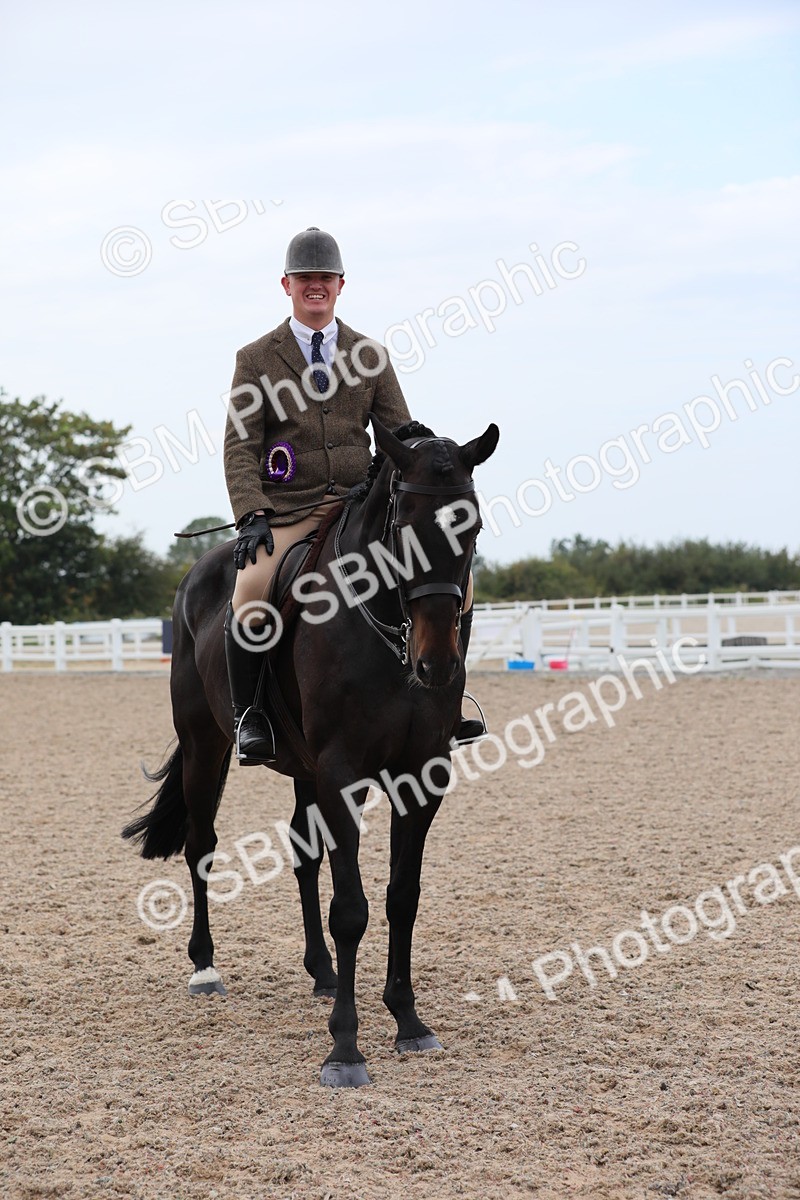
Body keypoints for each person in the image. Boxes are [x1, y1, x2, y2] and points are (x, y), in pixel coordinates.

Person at [223, 227, 484, 765]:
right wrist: (251, 512)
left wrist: (434, 452)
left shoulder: (370, 354)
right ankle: (251, 716)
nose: (314, 287)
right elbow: (240, 445)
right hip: (290, 509)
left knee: (460, 583)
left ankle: (447, 702)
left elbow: (399, 434)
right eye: (304, 280)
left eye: (324, 279)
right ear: (286, 285)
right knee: (250, 591)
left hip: (361, 505)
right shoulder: (255, 359)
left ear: (340, 285)